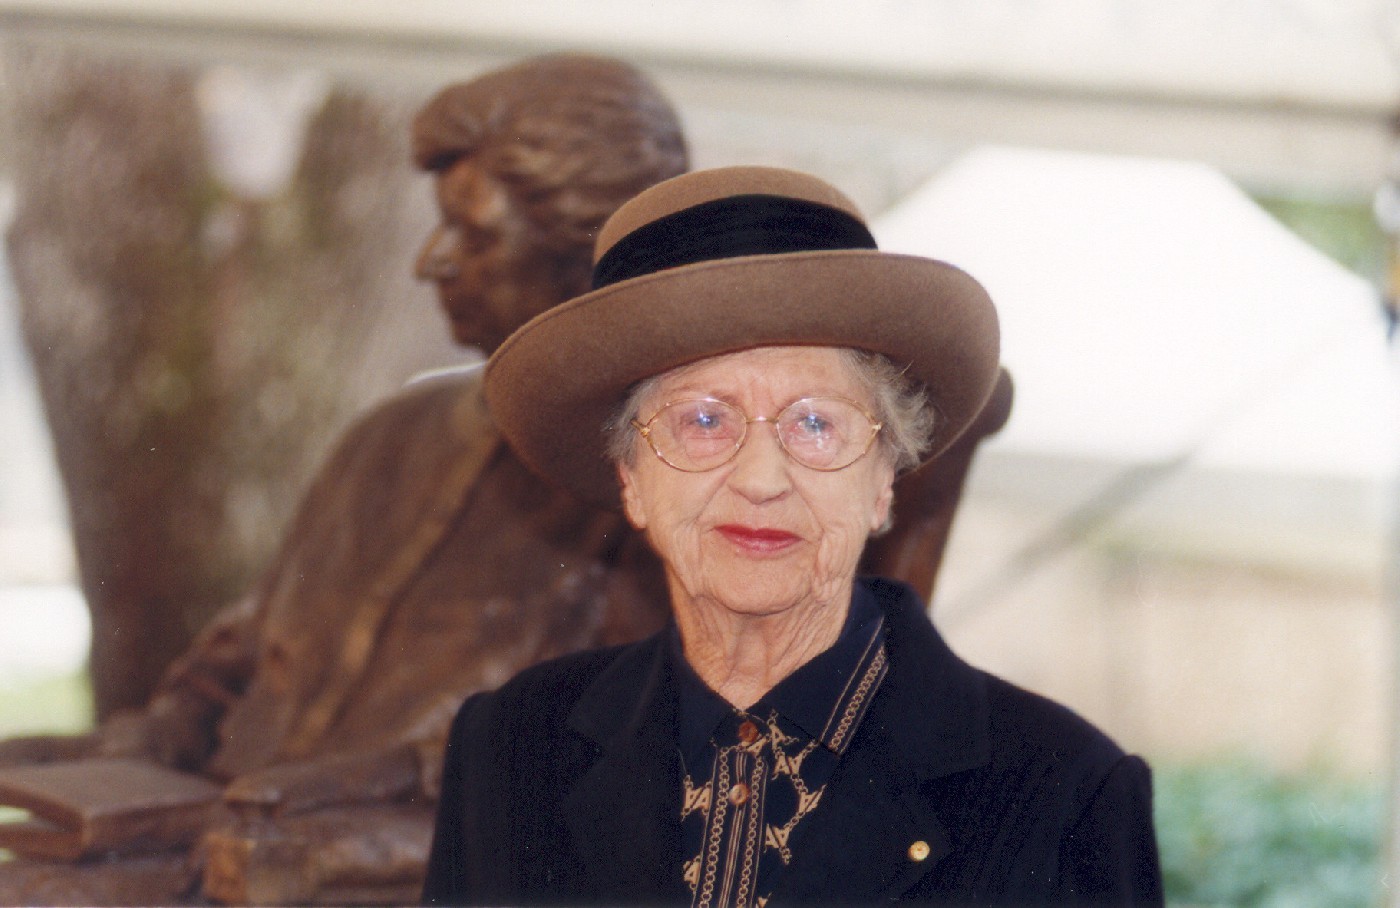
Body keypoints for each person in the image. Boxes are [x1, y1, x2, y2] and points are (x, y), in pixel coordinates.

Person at [0, 54, 687, 907]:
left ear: (587, 254)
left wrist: (340, 845)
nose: (430, 263)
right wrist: (128, 744)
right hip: (204, 847)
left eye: (472, 234)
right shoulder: (392, 437)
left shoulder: (661, 492)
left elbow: (614, 790)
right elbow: (239, 655)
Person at [423, 166, 1164, 906]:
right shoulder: (511, 747)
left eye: (815, 423)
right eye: (703, 420)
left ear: (882, 481)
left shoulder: (1063, 789)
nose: (761, 479)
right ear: (631, 478)